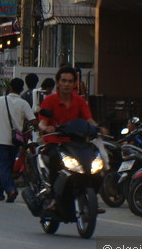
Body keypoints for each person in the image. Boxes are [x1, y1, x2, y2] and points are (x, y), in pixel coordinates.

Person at [38, 66, 101, 212]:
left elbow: (89, 119)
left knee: (97, 164)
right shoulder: (49, 100)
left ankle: (91, 199)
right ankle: (54, 198)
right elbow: (42, 122)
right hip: (55, 143)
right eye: (64, 81)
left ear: (75, 84)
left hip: (77, 143)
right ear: (58, 82)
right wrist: (46, 128)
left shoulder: (79, 101)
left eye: (70, 81)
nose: (66, 84)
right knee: (56, 161)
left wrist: (98, 129)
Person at [0, 77, 36, 203]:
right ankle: (0, 193)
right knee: (8, 167)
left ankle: (11, 190)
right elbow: (33, 121)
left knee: (4, 167)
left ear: (10, 87)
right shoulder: (23, 104)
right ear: (21, 89)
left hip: (1, 139)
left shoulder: (0, 100)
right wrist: (26, 130)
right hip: (16, 141)